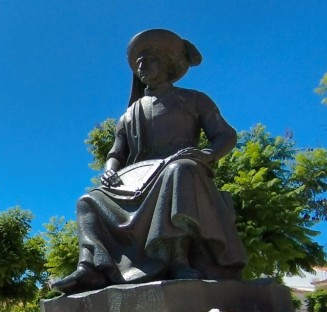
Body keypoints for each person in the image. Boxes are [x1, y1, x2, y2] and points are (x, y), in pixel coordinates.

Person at [51, 29, 246, 295]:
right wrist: (109, 172)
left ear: (167, 62)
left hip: (182, 169)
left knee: (179, 170)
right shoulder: (130, 114)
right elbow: (116, 153)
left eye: (149, 59)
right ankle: (92, 267)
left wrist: (208, 154)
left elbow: (225, 135)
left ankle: (178, 260)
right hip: (139, 180)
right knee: (88, 201)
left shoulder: (193, 99)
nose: (141, 66)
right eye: (138, 62)